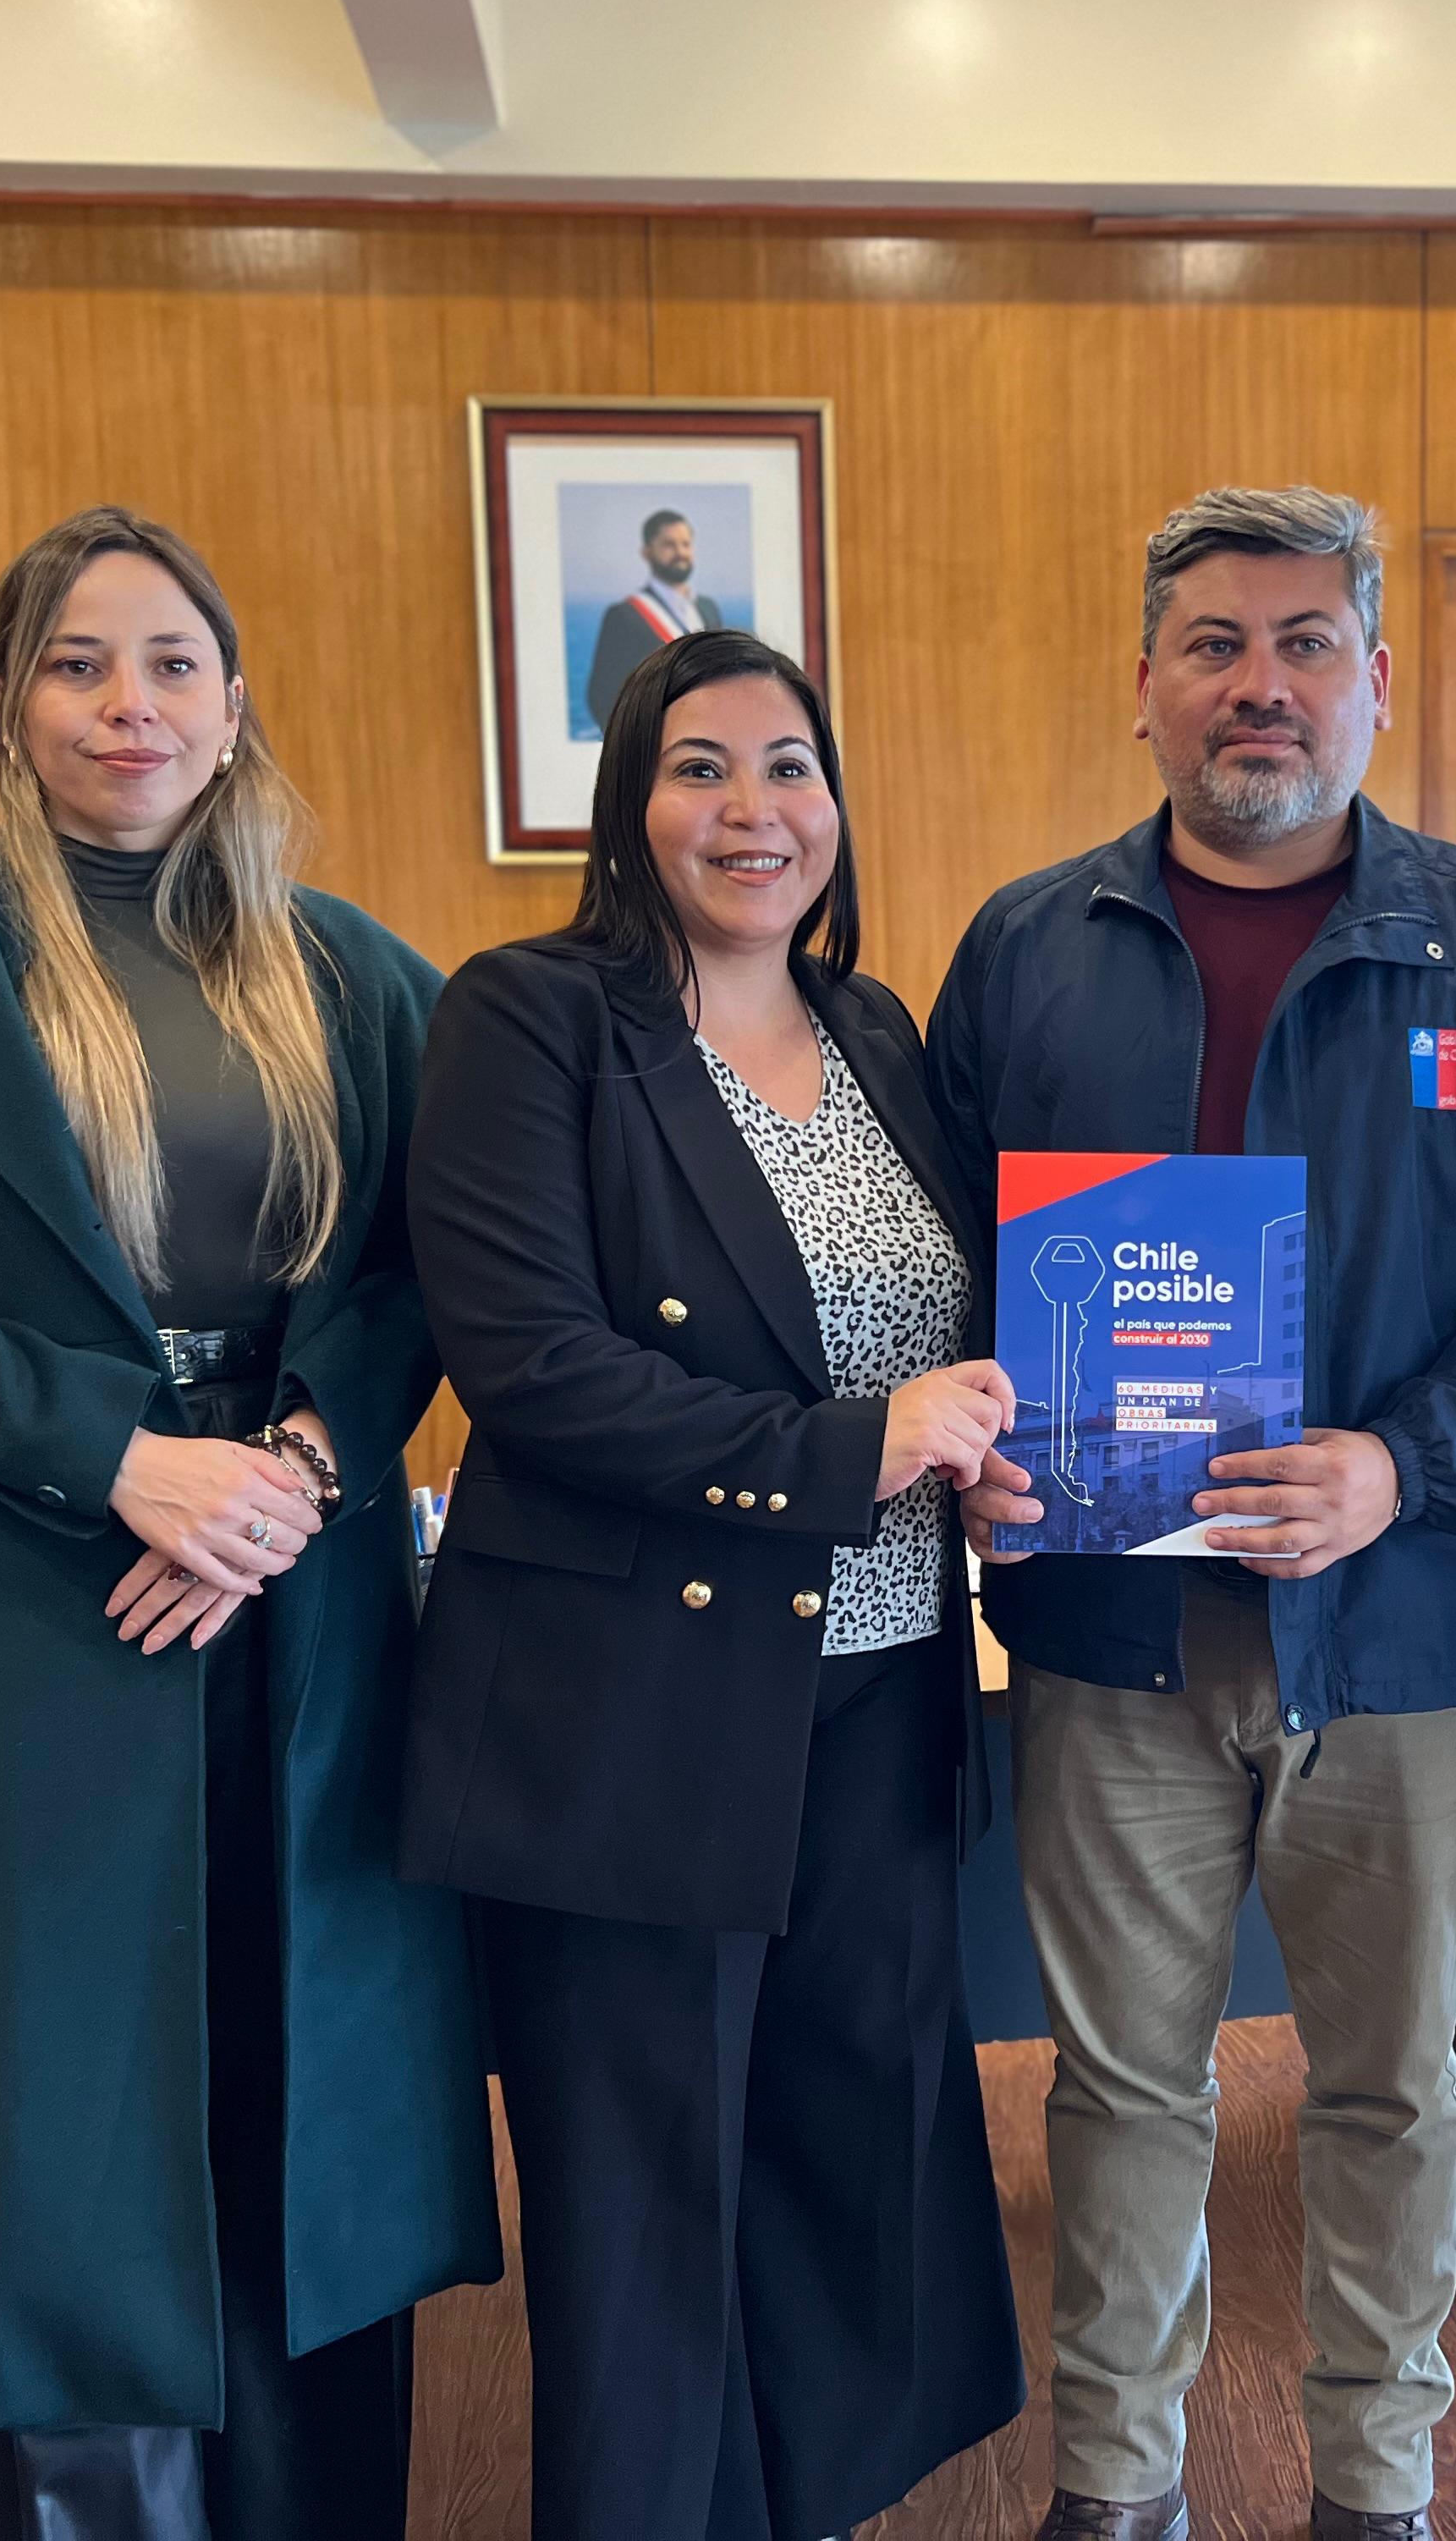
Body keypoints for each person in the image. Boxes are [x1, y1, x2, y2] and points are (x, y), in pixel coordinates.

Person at [933, 487, 1456, 2541]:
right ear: (1143, 687)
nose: (1260, 685)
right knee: (1121, 2084)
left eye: (1305, 643)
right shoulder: (1027, 948)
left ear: (1374, 680)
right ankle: (1116, 2487)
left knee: (1391, 2085)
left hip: (1404, 1628)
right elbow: (937, 1264)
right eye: (1215, 645)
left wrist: (1401, 1468)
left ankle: (1378, 2488)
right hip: (1112, 1632)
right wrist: (974, 1435)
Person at [0, 508, 497, 2540]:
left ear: (232, 700)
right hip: (30, 1602)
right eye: (78, 664)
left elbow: (426, 1267)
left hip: (300, 1597)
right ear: (8, 701)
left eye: (172, 661)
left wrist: (300, 1467)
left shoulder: (348, 972)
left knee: (296, 2077)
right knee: (57, 2128)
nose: (129, 704)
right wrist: (125, 1460)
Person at [401, 630, 1027, 2541]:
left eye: (788, 766)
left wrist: (992, 1461)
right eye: (700, 767)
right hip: (636, 1715)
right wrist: (860, 1448)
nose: (753, 810)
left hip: (884, 1689)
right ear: (629, 802)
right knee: (648, 2209)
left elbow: (937, 1341)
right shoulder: (531, 1020)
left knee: (847, 2168)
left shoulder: (880, 1031)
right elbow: (531, 1366)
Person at [585, 507, 726, 727]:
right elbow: (602, 697)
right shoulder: (624, 616)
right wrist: (635, 743)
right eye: (669, 545)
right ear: (647, 552)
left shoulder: (709, 609)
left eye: (686, 544)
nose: (680, 552)